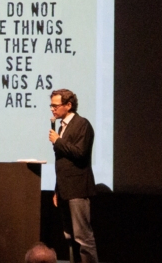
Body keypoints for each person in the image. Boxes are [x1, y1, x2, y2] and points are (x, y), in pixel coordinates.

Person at [48, 89, 98, 263]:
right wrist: (57, 189)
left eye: (55, 106)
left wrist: (58, 141)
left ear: (68, 105)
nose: (52, 109)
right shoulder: (62, 126)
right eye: (51, 106)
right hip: (64, 190)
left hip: (78, 189)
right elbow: (63, 163)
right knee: (69, 237)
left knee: (83, 238)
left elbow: (80, 153)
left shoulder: (82, 124)